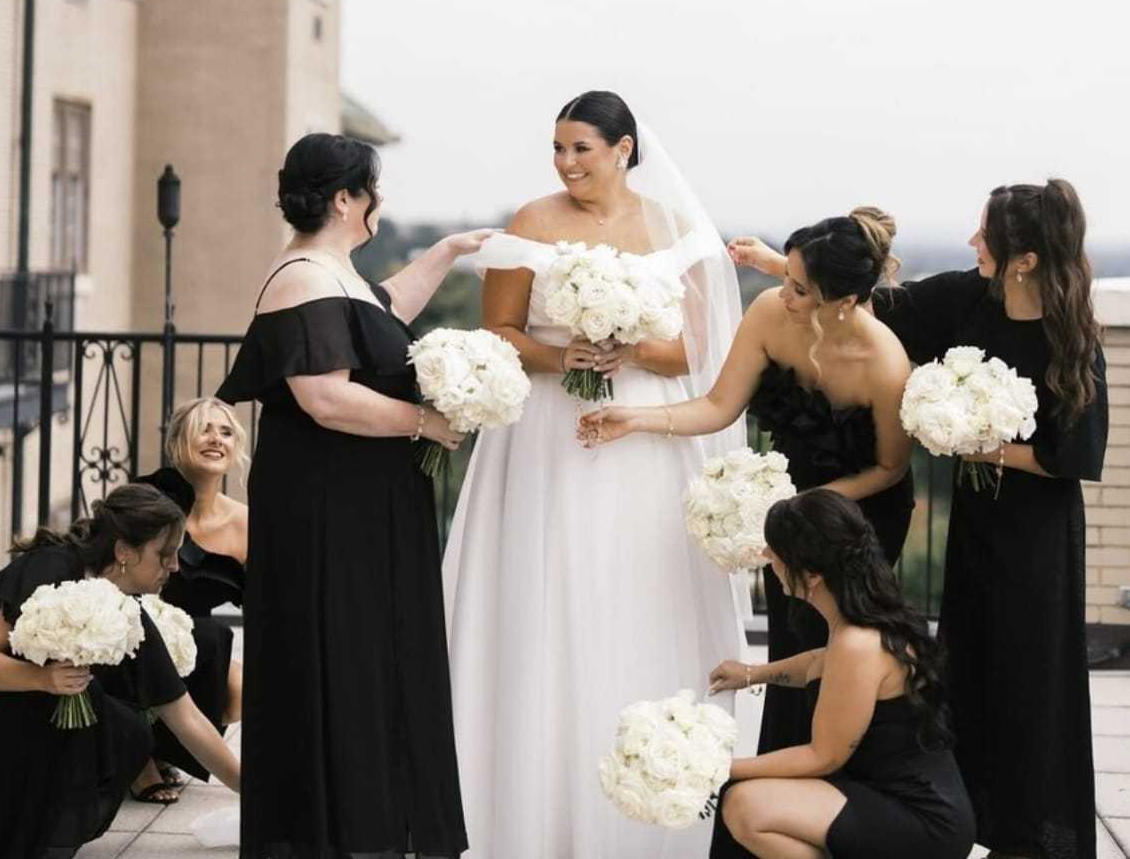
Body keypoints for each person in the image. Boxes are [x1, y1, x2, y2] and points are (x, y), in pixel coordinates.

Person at [732, 178, 1110, 859]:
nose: (972, 243)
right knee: (962, 669)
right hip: (977, 526)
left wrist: (980, 440)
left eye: (985, 235)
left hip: (1037, 537)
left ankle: (1030, 836)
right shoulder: (971, 297)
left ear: (1024, 257)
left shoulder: (1071, 332)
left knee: (1029, 678)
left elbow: (1075, 454)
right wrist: (778, 269)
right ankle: (965, 818)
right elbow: (876, 303)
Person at [442, 91, 747, 858]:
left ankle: (654, 783)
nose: (566, 163)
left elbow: (702, 351)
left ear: (624, 149)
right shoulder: (531, 223)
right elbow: (501, 334)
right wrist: (562, 355)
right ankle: (530, 792)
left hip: (646, 436)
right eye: (557, 148)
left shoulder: (675, 229)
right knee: (553, 584)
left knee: (640, 588)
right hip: (548, 435)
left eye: (581, 148)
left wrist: (634, 347)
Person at [216, 132, 490, 858]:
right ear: (345, 199)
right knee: (336, 649)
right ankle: (329, 829)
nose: (380, 202)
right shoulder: (302, 275)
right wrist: (426, 422)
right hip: (325, 505)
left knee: (370, 652)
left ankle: (369, 820)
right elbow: (325, 400)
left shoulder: (330, 270)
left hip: (363, 499)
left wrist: (450, 251)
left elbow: (381, 310)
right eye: (373, 189)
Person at [582, 208, 915, 762]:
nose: (782, 293)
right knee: (791, 635)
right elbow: (717, 405)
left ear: (845, 302)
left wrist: (808, 501)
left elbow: (890, 469)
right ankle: (777, 779)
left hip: (860, 517)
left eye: (800, 289)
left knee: (844, 649)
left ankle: (844, 789)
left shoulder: (884, 363)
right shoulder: (768, 313)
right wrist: (634, 418)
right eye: (786, 277)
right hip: (784, 512)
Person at [0, 483, 241, 859]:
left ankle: (30, 834)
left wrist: (255, 793)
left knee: (124, 727)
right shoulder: (50, 566)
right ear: (123, 553)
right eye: (164, 553)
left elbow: (184, 715)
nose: (175, 565)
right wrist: (42, 679)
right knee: (95, 716)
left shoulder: (125, 608)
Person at [707, 489, 975, 859]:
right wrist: (751, 674)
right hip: (887, 796)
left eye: (776, 551)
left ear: (812, 574)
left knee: (745, 804)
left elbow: (823, 756)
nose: (767, 557)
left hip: (923, 820)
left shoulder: (858, 643)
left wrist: (718, 769)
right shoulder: (856, 625)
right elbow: (816, 663)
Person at [135, 403, 248, 802]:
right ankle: (139, 761)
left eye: (226, 432)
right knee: (213, 636)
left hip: (196, 647)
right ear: (176, 442)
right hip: (130, 634)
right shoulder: (143, 499)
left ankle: (163, 748)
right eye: (204, 430)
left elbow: (268, 605)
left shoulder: (245, 522)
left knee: (245, 685)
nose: (216, 439)